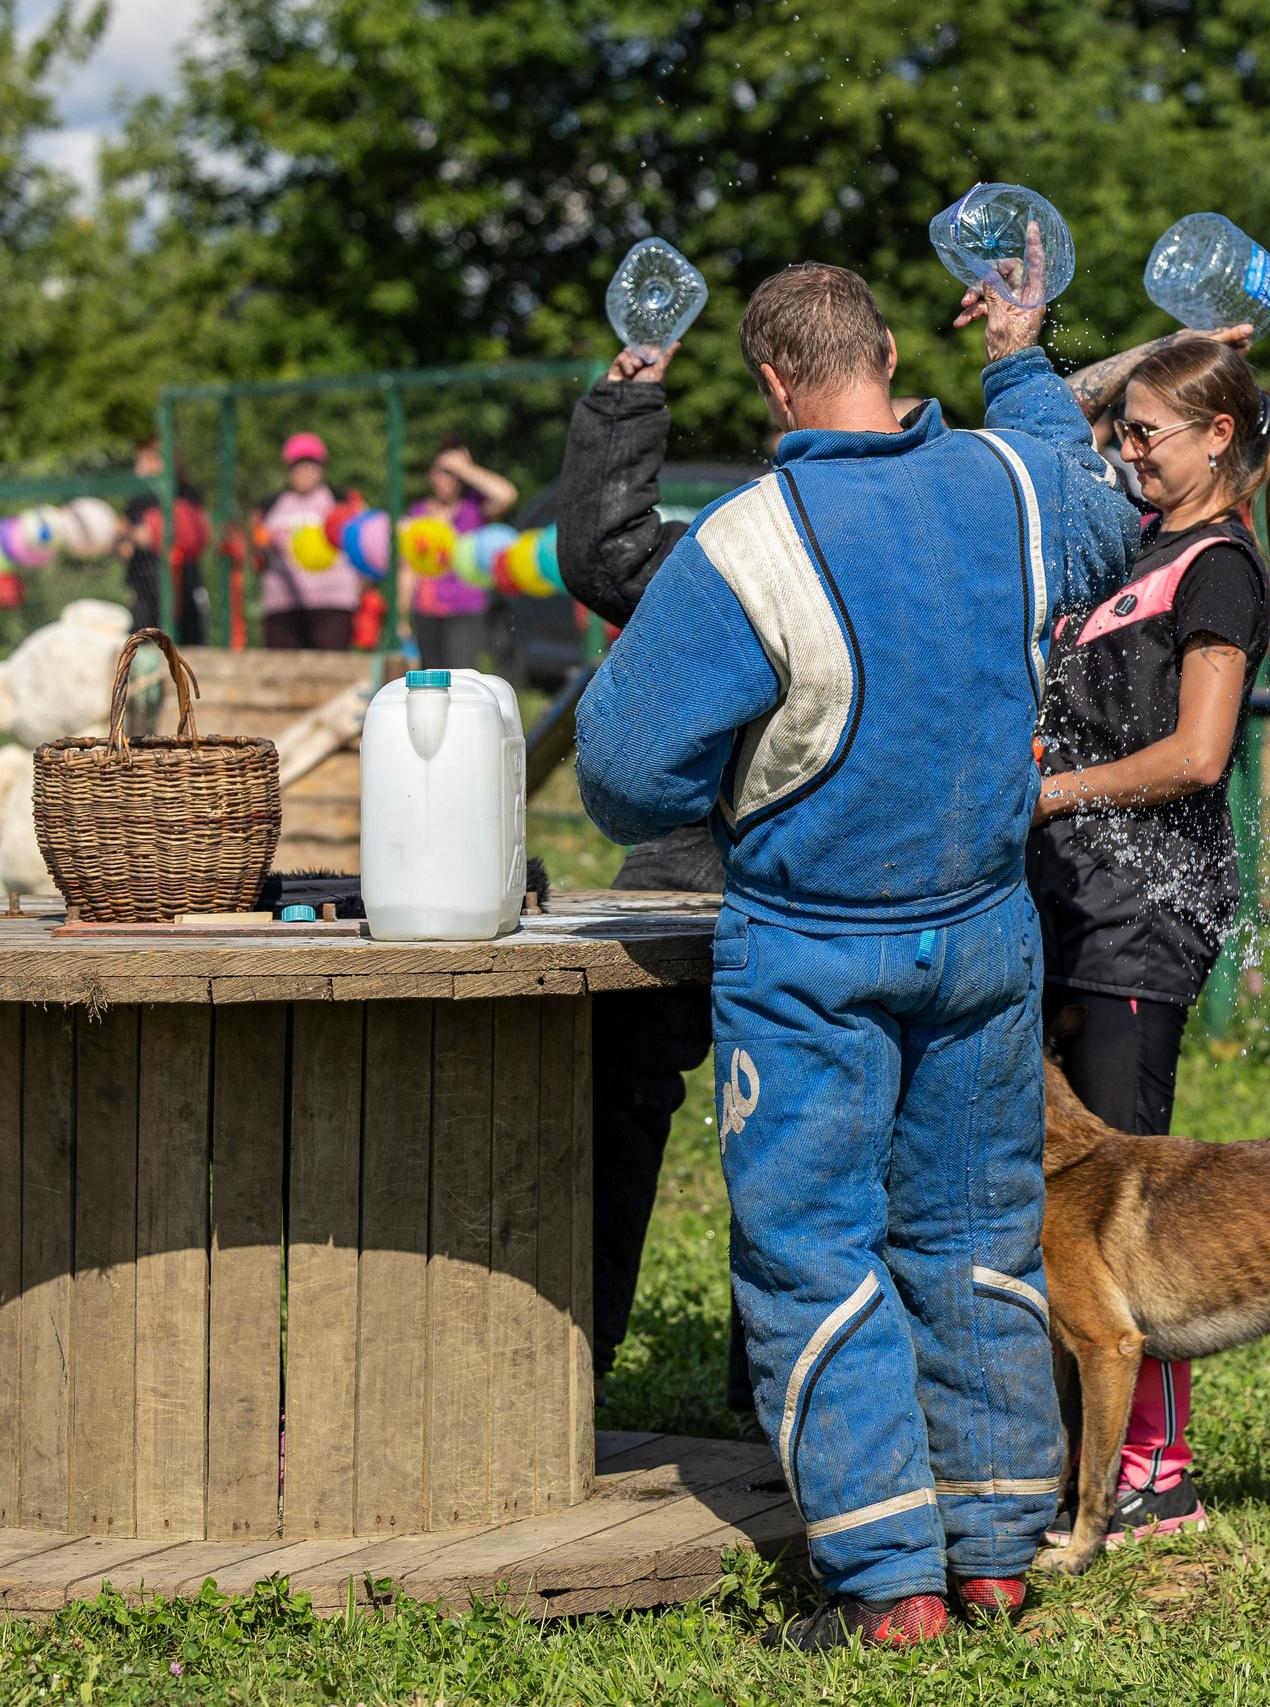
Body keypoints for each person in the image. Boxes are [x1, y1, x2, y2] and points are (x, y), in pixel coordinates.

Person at [575, 255, 1138, 1648]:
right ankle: (999, 1545)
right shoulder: (1014, 484)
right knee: (973, 1233)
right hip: (991, 937)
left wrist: (736, 764)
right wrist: (1018, 354)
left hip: (814, 952)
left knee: (815, 1251)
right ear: (890, 353)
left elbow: (622, 773)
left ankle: (890, 1583)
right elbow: (1095, 511)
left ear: (772, 379)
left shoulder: (749, 537)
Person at [1025, 337, 1270, 1551]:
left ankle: (1156, 1473)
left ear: (1220, 438)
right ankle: (1062, 1451)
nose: (1121, 448)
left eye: (1145, 432)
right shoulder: (1132, 545)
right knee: (1054, 1220)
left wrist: (1050, 793)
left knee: (1127, 1223)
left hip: (1140, 931)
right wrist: (1127, 355)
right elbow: (1062, 424)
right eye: (1122, 429)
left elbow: (1198, 755)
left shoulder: (1223, 569)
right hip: (1069, 910)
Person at [551, 338, 744, 1420]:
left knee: (793, 1122)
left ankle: (775, 1388)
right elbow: (607, 554)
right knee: (617, 1074)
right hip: (689, 842)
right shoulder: (737, 543)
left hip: (820, 860)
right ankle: (575, 1346)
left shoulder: (918, 518)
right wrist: (625, 403)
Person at [408, 436, 518, 670]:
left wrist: (465, 468)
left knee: (460, 678)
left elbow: (507, 495)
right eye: (443, 472)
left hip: (465, 608)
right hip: (426, 609)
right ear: (431, 473)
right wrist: (401, 616)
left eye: (454, 475)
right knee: (430, 682)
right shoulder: (418, 511)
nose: (448, 480)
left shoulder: (474, 508)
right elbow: (409, 567)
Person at [256, 433, 360, 650]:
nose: (304, 471)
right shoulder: (272, 505)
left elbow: (362, 544)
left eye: (311, 464)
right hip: (283, 606)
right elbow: (258, 550)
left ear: (322, 468)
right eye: (298, 465)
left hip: (331, 604)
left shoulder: (340, 501)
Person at [115, 439, 211, 644]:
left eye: (145, 461)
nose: (139, 467)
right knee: (143, 645)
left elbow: (192, 534)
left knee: (188, 646)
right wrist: (130, 537)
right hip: (145, 589)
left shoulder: (187, 495)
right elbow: (124, 541)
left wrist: (147, 532)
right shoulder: (138, 500)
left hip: (183, 588)